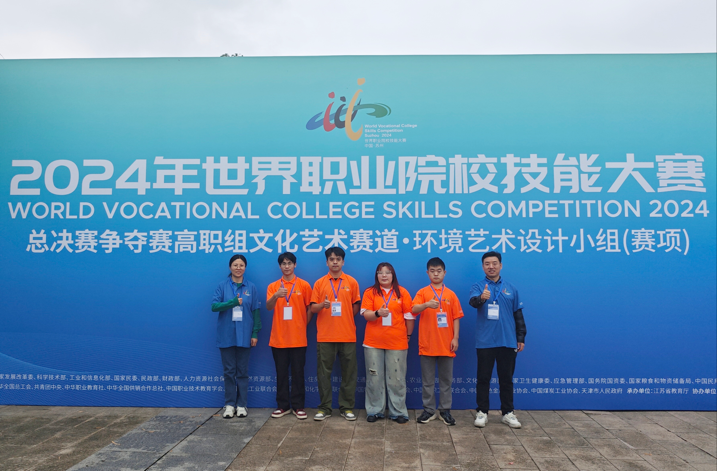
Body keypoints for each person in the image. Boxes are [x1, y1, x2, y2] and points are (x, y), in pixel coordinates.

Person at [469, 251, 526, 429]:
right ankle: (482, 412)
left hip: (508, 340)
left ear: (500, 265)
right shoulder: (478, 286)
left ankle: (508, 413)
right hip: (485, 341)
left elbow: (518, 314)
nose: (491, 266)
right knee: (483, 378)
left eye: (494, 263)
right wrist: (481, 298)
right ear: (483, 267)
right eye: (487, 264)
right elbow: (473, 302)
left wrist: (521, 337)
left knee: (506, 379)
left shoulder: (511, 288)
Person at [310, 247, 361, 421]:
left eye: (338, 259)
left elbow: (356, 306)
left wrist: (345, 317)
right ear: (327, 262)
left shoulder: (352, 282)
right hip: (325, 336)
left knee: (349, 374)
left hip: (347, 335)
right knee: (323, 374)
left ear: (343, 262)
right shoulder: (320, 283)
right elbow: (313, 308)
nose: (335, 262)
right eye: (331, 259)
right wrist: (322, 306)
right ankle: (324, 408)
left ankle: (347, 407)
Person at [411, 257, 463, 426]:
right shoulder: (422, 292)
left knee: (446, 381)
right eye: (432, 271)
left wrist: (455, 338)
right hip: (427, 344)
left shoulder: (451, 294)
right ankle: (429, 410)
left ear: (444, 273)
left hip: (447, 344)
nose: (435, 274)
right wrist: (426, 305)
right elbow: (413, 309)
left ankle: (445, 410)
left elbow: (456, 317)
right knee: (427, 381)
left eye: (439, 271)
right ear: (428, 273)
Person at [360, 262, 414, 424]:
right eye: (380, 272)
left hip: (397, 342)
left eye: (387, 272)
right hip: (373, 342)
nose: (384, 275)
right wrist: (378, 313)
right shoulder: (370, 292)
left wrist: (408, 335)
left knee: (397, 379)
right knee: (374, 378)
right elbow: (366, 315)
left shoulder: (402, 292)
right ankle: (375, 410)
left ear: (393, 275)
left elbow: (409, 317)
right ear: (376, 275)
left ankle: (398, 411)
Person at [211, 254, 261, 419]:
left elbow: (256, 312)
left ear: (245, 268)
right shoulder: (222, 286)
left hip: (245, 335)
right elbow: (214, 306)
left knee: (242, 372)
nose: (238, 268)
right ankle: (229, 404)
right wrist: (232, 303)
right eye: (235, 265)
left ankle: (241, 405)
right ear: (230, 267)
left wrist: (255, 333)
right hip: (226, 335)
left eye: (241, 265)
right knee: (229, 372)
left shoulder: (251, 287)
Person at [266, 252, 313, 420]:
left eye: (289, 263)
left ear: (295, 265)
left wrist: (302, 325)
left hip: (298, 338)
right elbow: (268, 307)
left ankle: (298, 406)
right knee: (281, 373)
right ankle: (283, 406)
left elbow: (310, 308)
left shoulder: (304, 285)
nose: (287, 266)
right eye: (283, 263)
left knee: (298, 373)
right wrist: (276, 296)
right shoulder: (273, 286)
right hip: (279, 338)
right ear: (280, 266)